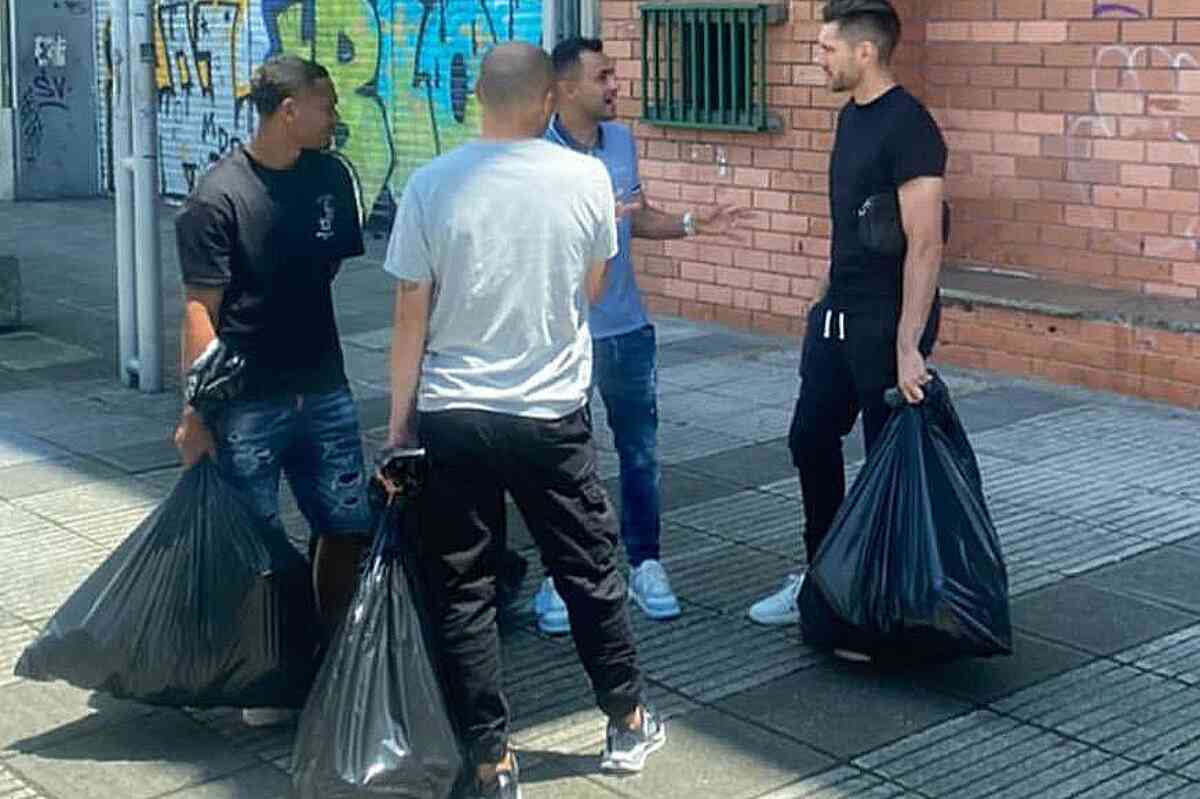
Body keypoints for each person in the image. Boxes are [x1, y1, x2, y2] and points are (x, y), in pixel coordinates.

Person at [382, 42, 666, 799]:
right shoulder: (586, 179)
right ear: (547, 101)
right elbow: (596, 287)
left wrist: (397, 428)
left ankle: (491, 759)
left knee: (463, 586)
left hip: (453, 413)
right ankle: (627, 717)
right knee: (588, 571)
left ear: (478, 96)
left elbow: (410, 319)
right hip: (549, 413)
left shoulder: (429, 185)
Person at [172, 55, 372, 720]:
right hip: (247, 398)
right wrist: (196, 412)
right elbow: (201, 308)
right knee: (252, 536)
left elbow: (325, 272)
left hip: (323, 386)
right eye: (327, 105)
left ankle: (332, 646)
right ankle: (263, 667)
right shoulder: (218, 196)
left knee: (345, 524)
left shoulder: (330, 179)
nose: (335, 116)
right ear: (290, 111)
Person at [532, 36, 752, 635]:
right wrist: (598, 219)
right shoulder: (535, 153)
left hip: (627, 328)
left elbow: (638, 215)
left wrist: (690, 223)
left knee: (641, 454)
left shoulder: (622, 141)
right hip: (564, 336)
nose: (615, 86)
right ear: (567, 87)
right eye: (603, 76)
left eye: (615, 75)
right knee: (564, 463)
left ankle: (647, 563)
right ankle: (562, 572)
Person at [747, 0, 946, 633]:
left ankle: (887, 597)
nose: (818, 57)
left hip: (888, 321)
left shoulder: (910, 126)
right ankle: (824, 575)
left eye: (827, 47)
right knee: (810, 436)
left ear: (865, 52)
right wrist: (819, 296)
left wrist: (909, 345)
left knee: (886, 456)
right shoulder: (848, 120)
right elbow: (849, 225)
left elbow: (927, 242)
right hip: (839, 313)